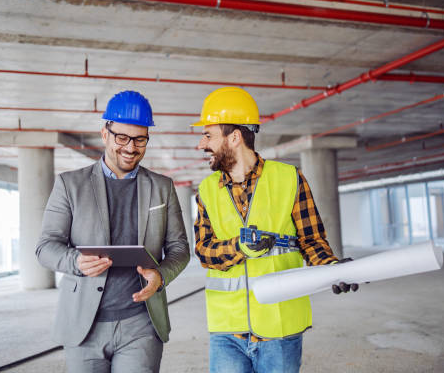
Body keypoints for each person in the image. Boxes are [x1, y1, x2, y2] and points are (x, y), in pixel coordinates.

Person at [192, 87, 358, 373]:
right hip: (226, 330)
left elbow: (312, 240)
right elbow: (204, 251)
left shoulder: (289, 179)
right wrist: (238, 247)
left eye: (208, 135)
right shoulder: (207, 190)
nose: (201, 144)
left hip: (279, 327)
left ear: (234, 137)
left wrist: (333, 269)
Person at [36, 90, 190, 373]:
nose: (131, 148)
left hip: (141, 324)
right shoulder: (70, 185)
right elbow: (46, 247)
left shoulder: (162, 187)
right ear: (105, 134)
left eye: (140, 139)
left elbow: (179, 248)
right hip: (84, 325)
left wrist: (161, 276)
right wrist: (75, 262)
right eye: (122, 138)